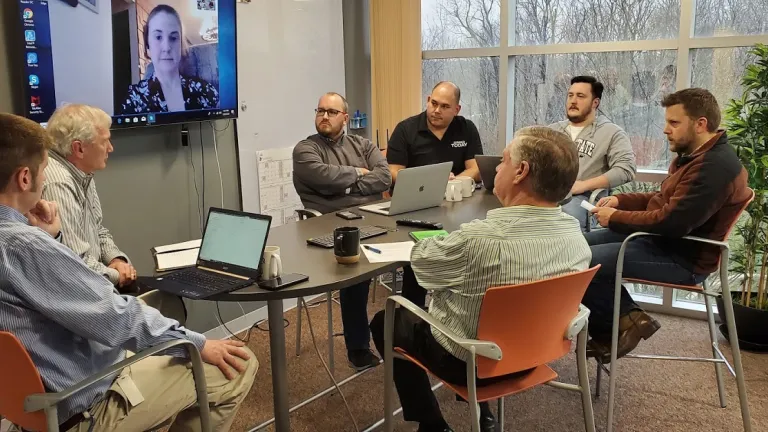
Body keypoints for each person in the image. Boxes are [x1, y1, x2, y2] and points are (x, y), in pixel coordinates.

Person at [0, 113, 257, 431]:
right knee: (239, 365)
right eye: (42, 170)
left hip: (31, 407)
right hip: (84, 406)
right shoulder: (23, 246)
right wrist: (197, 344)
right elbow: (111, 316)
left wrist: (52, 237)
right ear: (24, 178)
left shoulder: (23, 240)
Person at [370, 126, 592, 432]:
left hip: (471, 365)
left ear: (521, 171)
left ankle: (431, 423)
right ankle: (481, 412)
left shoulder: (480, 240)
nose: (497, 168)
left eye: (503, 161)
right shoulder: (576, 237)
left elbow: (423, 267)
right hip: (536, 356)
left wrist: (439, 242)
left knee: (387, 319)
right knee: (476, 309)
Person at [584, 88, 751, 362]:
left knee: (583, 260)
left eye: (674, 123)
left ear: (701, 124)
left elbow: (671, 222)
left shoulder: (713, 168)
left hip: (684, 259)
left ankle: (620, 325)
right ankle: (629, 320)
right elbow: (661, 200)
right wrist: (619, 201)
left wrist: (616, 219)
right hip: (662, 243)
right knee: (574, 247)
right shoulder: (693, 156)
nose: (665, 130)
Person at [292, 92, 391, 371]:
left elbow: (383, 176)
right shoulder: (305, 149)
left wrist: (344, 185)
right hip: (329, 224)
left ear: (345, 118)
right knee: (355, 271)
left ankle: (406, 332)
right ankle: (358, 346)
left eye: (332, 112)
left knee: (413, 253)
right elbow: (321, 177)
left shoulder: (363, 144)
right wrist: (359, 175)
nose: (324, 116)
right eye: (320, 110)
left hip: (373, 218)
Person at [43, 104, 137, 292]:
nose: (110, 148)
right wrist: (119, 275)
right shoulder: (58, 182)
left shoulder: (81, 170)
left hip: (94, 282)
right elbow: (76, 264)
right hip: (76, 293)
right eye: (105, 142)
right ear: (79, 149)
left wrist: (116, 259)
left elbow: (98, 230)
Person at [549, 75, 637, 231]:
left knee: (564, 222)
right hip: (546, 195)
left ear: (595, 103)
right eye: (570, 95)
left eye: (580, 96)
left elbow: (626, 170)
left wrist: (582, 185)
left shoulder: (611, 133)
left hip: (581, 199)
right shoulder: (552, 131)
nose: (573, 101)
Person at [119, 5, 218, 115]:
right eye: (158, 37)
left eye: (173, 38)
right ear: (147, 45)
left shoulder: (204, 90)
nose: (166, 47)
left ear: (180, 45)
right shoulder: (134, 99)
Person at [387, 81, 483, 183]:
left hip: (457, 191)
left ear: (456, 110)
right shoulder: (404, 129)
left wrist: (451, 183)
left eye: (445, 106)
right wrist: (429, 182)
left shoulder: (467, 128)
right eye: (434, 103)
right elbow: (393, 173)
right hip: (418, 192)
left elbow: (476, 169)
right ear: (428, 100)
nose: (437, 110)